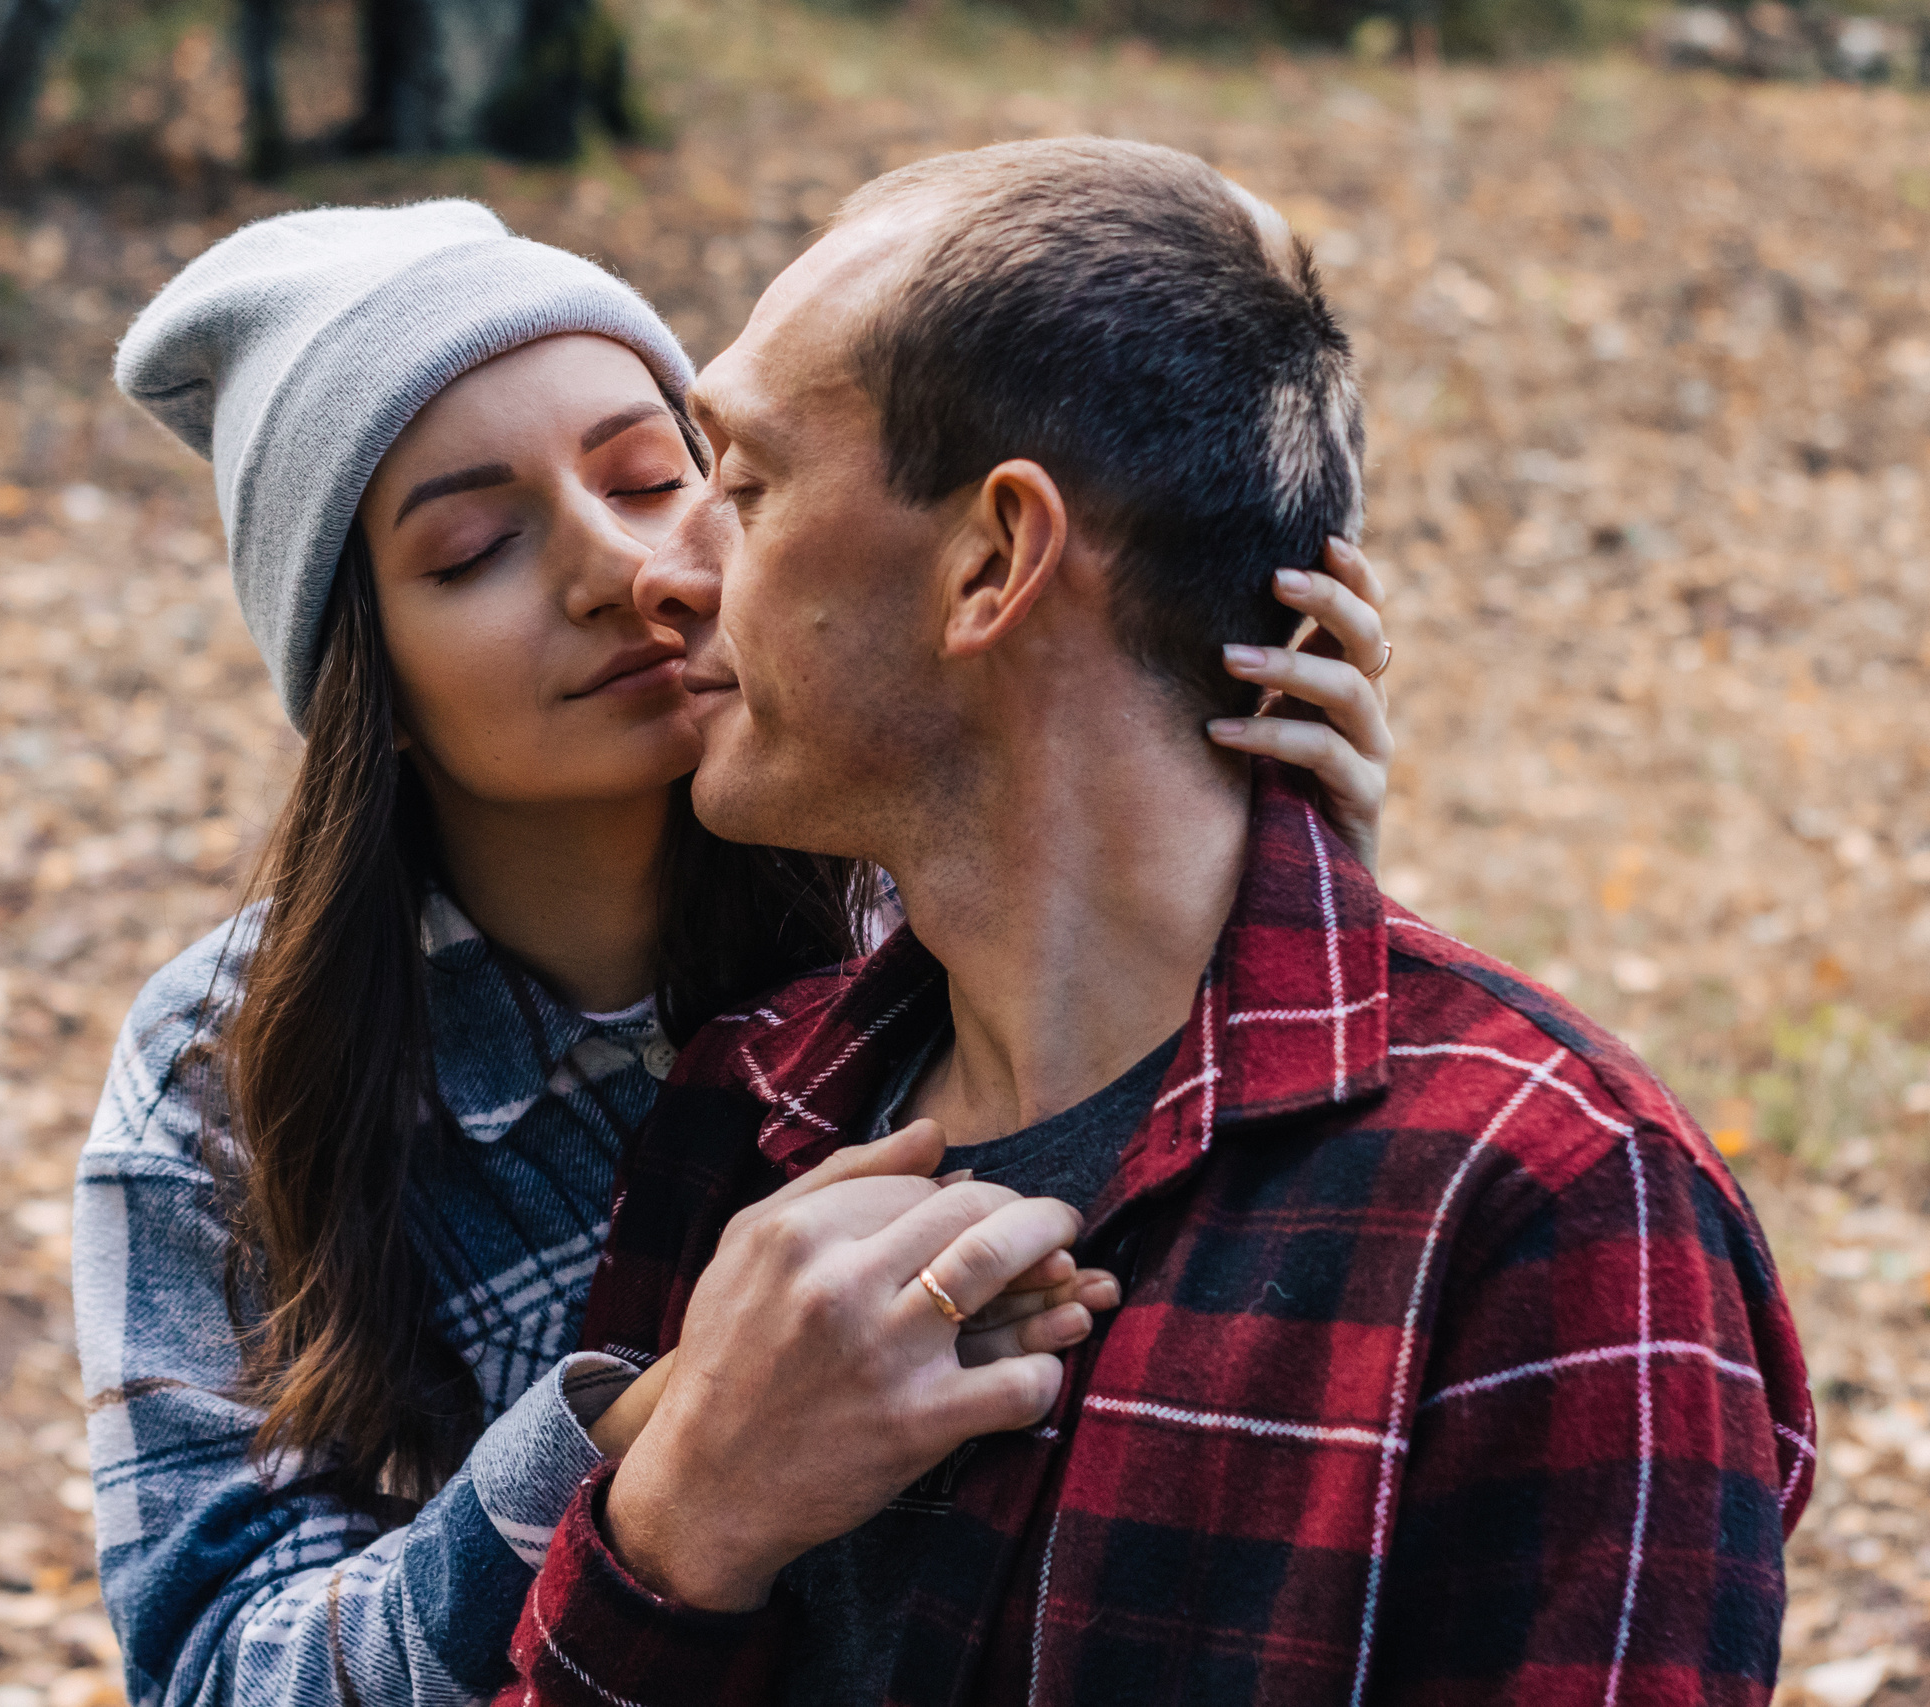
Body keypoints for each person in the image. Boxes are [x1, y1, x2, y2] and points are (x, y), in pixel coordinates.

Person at [503, 139, 1814, 1707]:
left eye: (750, 484)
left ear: (993, 559)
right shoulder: (749, 1111)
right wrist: (681, 1526)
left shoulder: (1547, 1202)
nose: (669, 572)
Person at [74, 200, 1397, 1707]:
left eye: (664, 478)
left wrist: (1263, 886)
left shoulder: (925, 899)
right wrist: (654, 1440)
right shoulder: (231, 1071)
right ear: (361, 683)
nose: (631, 571)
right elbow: (210, 1671)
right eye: (476, 549)